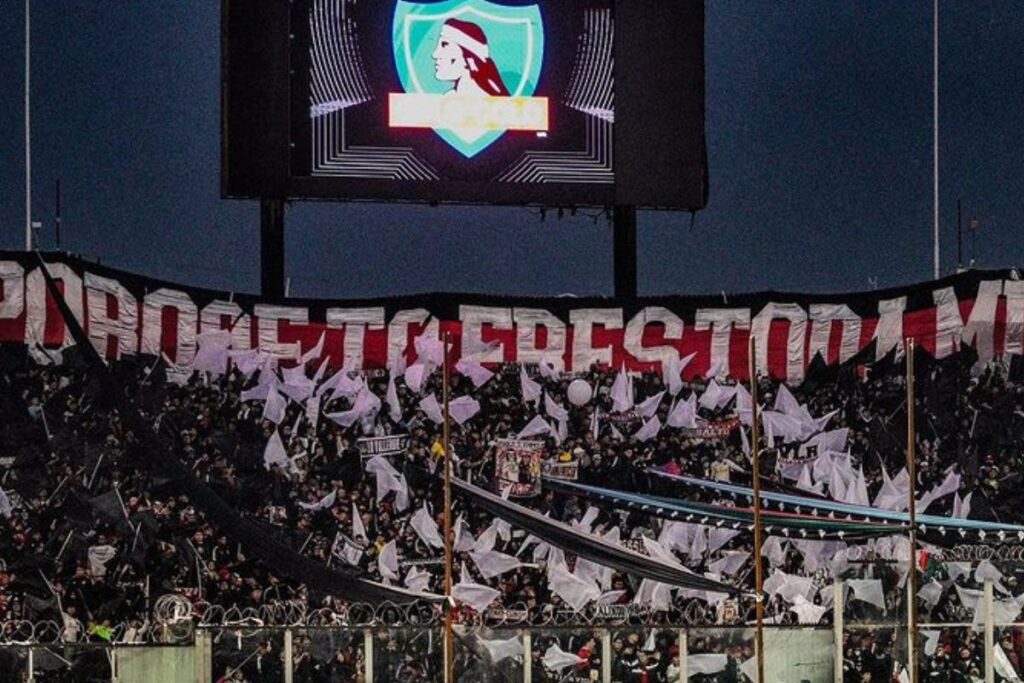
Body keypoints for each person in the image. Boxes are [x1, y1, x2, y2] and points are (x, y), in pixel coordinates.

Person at [432, 18, 510, 96]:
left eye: (445, 45)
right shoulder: (450, 96)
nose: (435, 55)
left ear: (469, 58)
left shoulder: (488, 101)